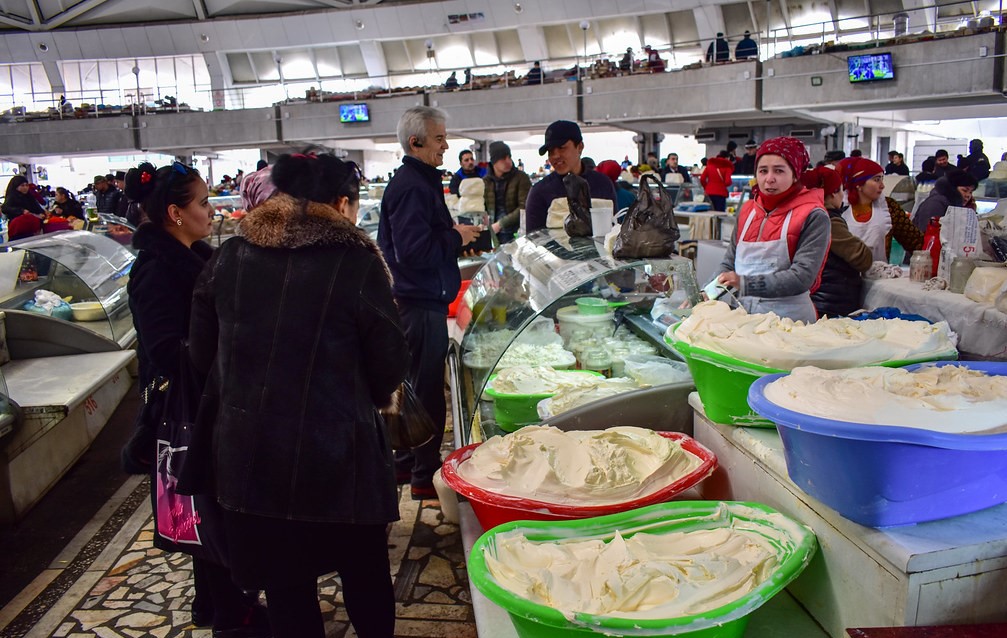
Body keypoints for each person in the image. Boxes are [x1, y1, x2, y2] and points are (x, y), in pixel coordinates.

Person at [189, 153, 407, 638]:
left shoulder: (230, 257)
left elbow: (202, 355)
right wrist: (365, 397)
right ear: (341, 203)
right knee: (365, 573)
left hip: (253, 456)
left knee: (286, 586)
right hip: (340, 456)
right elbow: (389, 360)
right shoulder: (356, 263)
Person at [123, 160, 269, 637]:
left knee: (208, 506)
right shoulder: (155, 270)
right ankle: (233, 616)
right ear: (175, 213)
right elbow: (164, 350)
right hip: (188, 407)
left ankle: (210, 603)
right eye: (203, 203)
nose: (211, 211)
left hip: (209, 397)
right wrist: (221, 348)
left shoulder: (194, 257)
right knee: (214, 509)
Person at [377, 106, 481, 500]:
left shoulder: (419, 181)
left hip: (419, 301)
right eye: (439, 138)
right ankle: (423, 473)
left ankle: (406, 463)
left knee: (412, 388)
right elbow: (413, 251)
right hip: (419, 304)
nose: (446, 145)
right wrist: (456, 238)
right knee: (425, 391)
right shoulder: (412, 186)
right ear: (415, 142)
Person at [715, 137, 831, 323]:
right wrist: (707, 293)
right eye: (763, 171)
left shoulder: (813, 215)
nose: (769, 179)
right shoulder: (748, 210)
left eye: (779, 170)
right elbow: (729, 263)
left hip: (790, 322)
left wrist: (745, 283)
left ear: (795, 175)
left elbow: (801, 277)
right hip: (743, 318)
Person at [801, 166, 873, 317]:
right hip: (829, 304)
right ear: (833, 193)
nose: (843, 195)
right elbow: (862, 258)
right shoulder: (827, 221)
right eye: (841, 190)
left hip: (811, 301)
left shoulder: (801, 216)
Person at [524, 120, 617, 232]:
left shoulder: (602, 183)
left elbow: (614, 230)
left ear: (580, 147)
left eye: (562, 148)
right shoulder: (539, 192)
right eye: (550, 151)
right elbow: (534, 237)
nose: (555, 156)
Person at [837, 156, 923, 263]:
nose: (882, 186)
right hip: (843, 273)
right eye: (877, 180)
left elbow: (916, 242)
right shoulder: (839, 208)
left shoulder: (890, 207)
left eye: (882, 179)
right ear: (859, 184)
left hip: (879, 272)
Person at [484, 141, 531, 244]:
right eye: (503, 158)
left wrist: (500, 224)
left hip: (516, 231)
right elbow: (484, 207)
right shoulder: (486, 181)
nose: (508, 161)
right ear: (494, 161)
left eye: (509, 157)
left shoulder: (521, 177)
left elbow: (524, 207)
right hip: (493, 232)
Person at [913, 169, 978, 234]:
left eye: (970, 192)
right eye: (964, 190)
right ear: (953, 188)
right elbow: (928, 233)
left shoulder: (955, 205)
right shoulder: (935, 204)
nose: (968, 195)